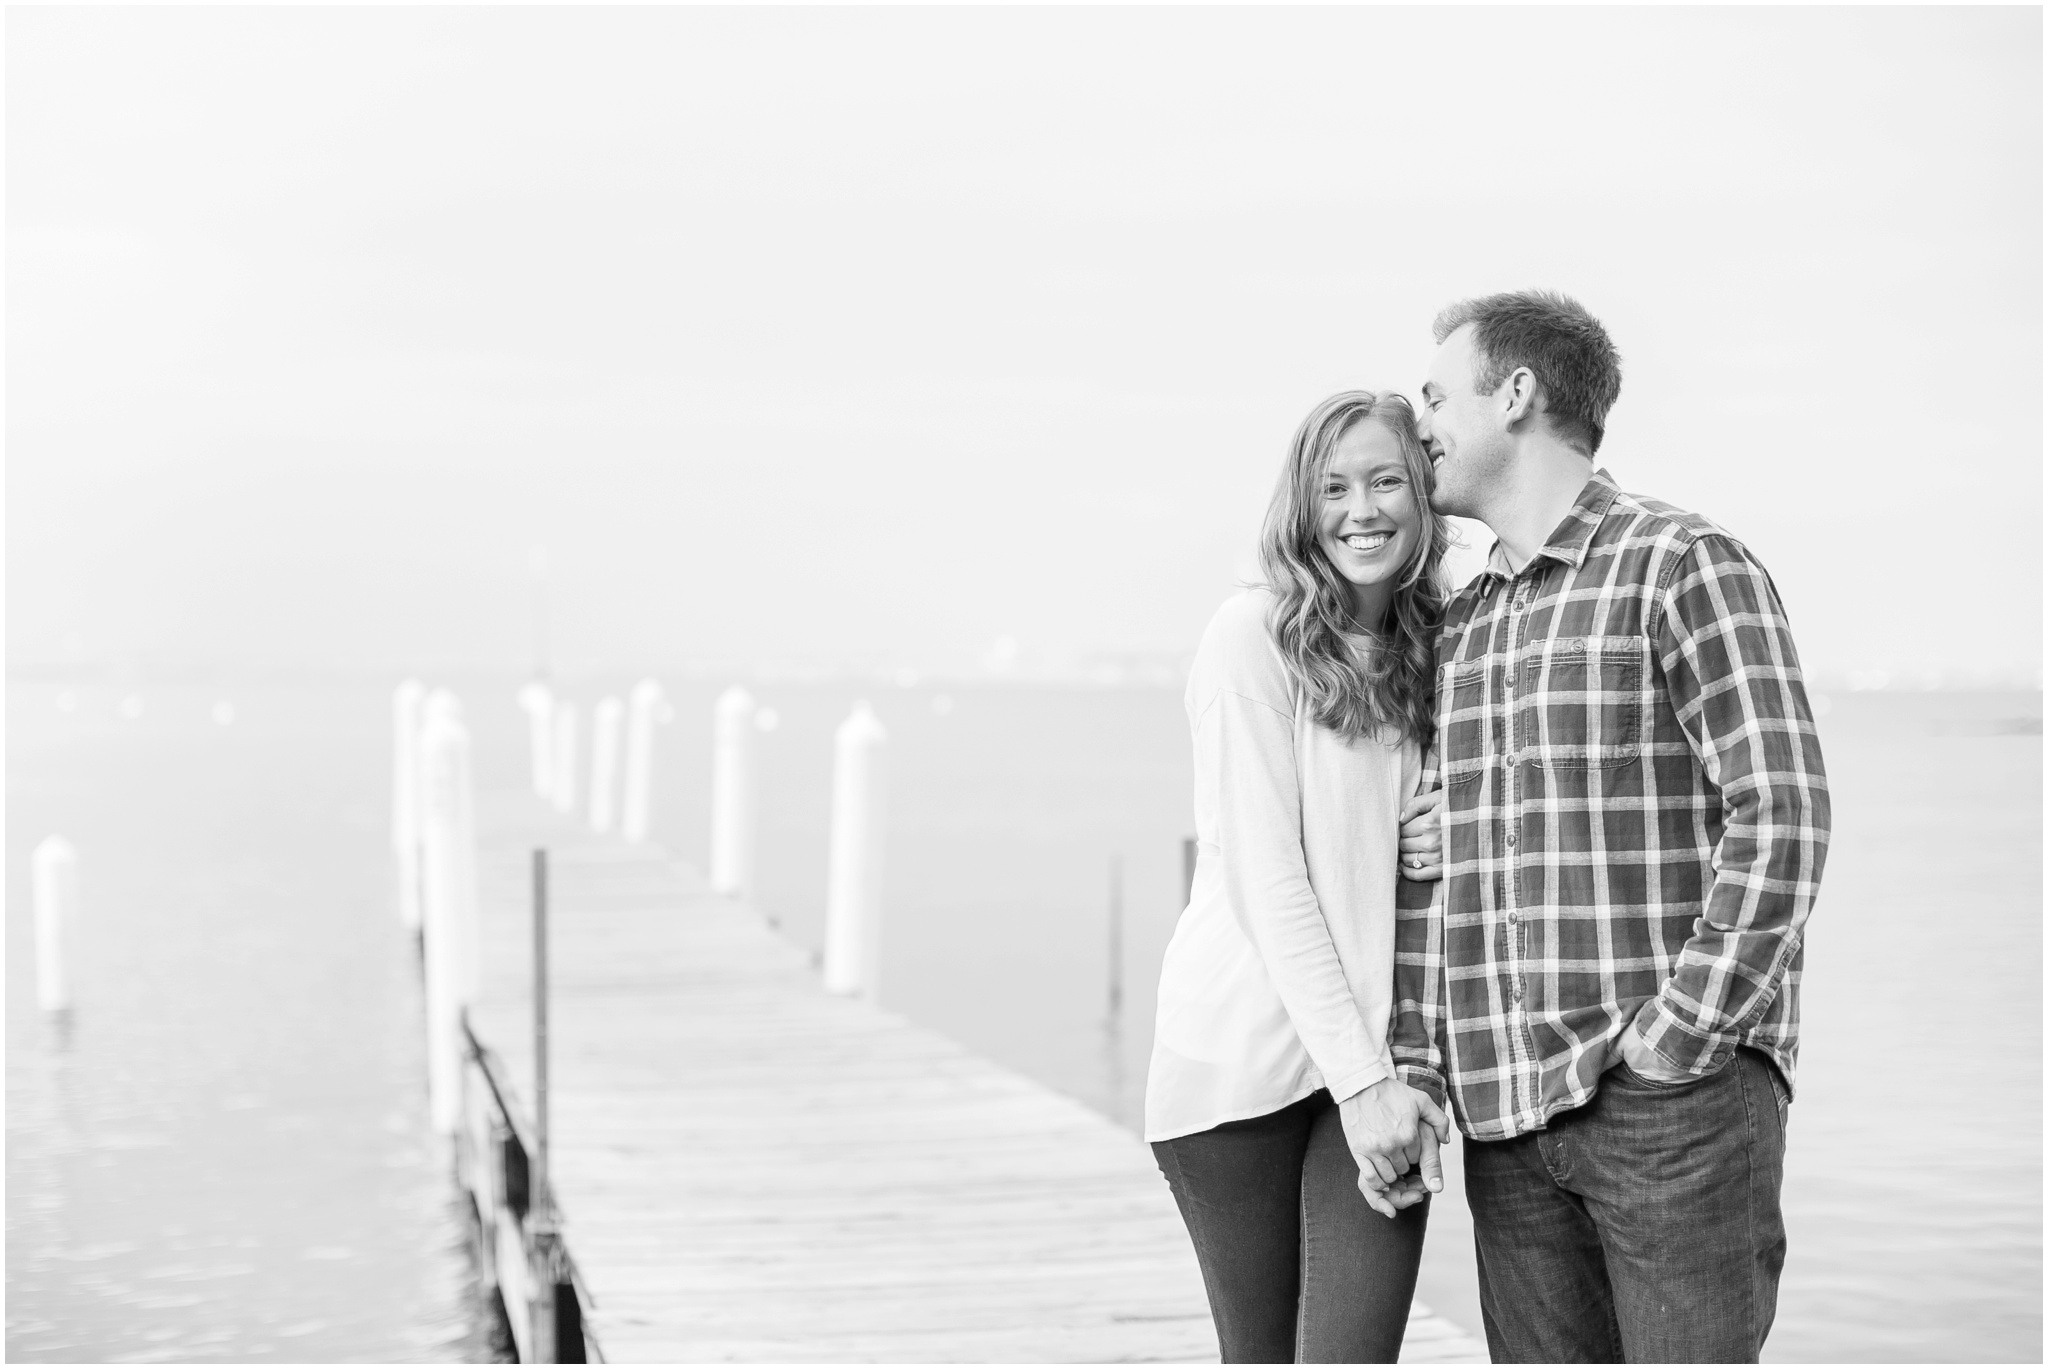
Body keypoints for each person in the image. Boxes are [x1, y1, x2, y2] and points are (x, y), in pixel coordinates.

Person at [1380, 291, 1832, 1363]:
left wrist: (1678, 1037)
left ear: (1518, 394)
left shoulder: (1680, 562)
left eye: (1437, 395)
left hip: (1666, 1112)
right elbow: (1443, 866)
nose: (1420, 423)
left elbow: (1781, 811)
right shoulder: (1463, 617)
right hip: (1504, 1121)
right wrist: (1418, 1062)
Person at [1144, 390, 1456, 1364]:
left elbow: (1408, 861)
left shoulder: (1432, 646)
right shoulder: (1250, 637)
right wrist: (1363, 1081)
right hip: (1241, 1066)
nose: (1360, 508)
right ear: (1301, 504)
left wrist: (1452, 822)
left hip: (1372, 1060)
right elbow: (1267, 879)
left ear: (1421, 496)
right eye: (1333, 486)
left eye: (1384, 481)